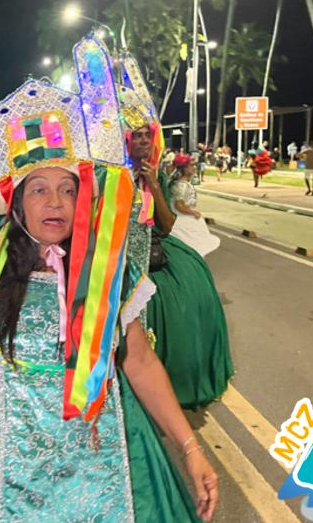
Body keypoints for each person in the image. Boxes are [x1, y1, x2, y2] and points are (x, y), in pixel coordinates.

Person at [0, 36, 217, 523]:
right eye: (38, 189)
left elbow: (139, 362)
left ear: (84, 202)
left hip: (104, 458)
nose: (54, 202)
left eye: (66, 189)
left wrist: (190, 449)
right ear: (16, 203)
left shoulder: (110, 273)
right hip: (1, 455)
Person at [121, 66, 233, 411]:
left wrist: (153, 184)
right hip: (120, 257)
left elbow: (167, 226)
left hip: (155, 253)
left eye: (145, 135)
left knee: (193, 297)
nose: (141, 140)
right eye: (135, 135)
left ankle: (171, 386)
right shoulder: (110, 175)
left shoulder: (159, 176)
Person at [168, 154, 220, 257]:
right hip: (183, 221)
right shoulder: (181, 185)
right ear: (184, 169)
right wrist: (192, 212)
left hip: (184, 219)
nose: (194, 168)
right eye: (191, 165)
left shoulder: (183, 184)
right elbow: (179, 204)